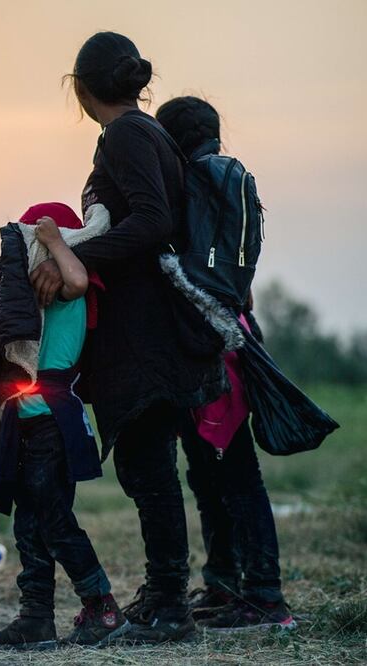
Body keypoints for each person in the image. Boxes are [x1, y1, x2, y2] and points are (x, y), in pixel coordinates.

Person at [30, 32, 228, 644]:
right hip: (151, 327)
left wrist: (70, 252)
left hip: (146, 331)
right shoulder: (146, 134)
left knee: (149, 469)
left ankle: (171, 607)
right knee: (148, 469)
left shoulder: (127, 135)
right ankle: (162, 596)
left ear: (82, 90)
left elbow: (152, 223)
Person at [155, 96, 296, 631]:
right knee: (213, 474)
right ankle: (224, 584)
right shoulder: (231, 182)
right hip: (231, 334)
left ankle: (262, 596)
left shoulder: (192, 185)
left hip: (208, 346)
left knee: (232, 476)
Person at [0, 203, 128, 650]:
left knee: (54, 519)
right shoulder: (32, 293)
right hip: (24, 419)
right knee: (28, 524)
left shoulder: (66, 286)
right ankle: (36, 619)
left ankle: (102, 608)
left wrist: (54, 241)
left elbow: (79, 278)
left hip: (53, 421)